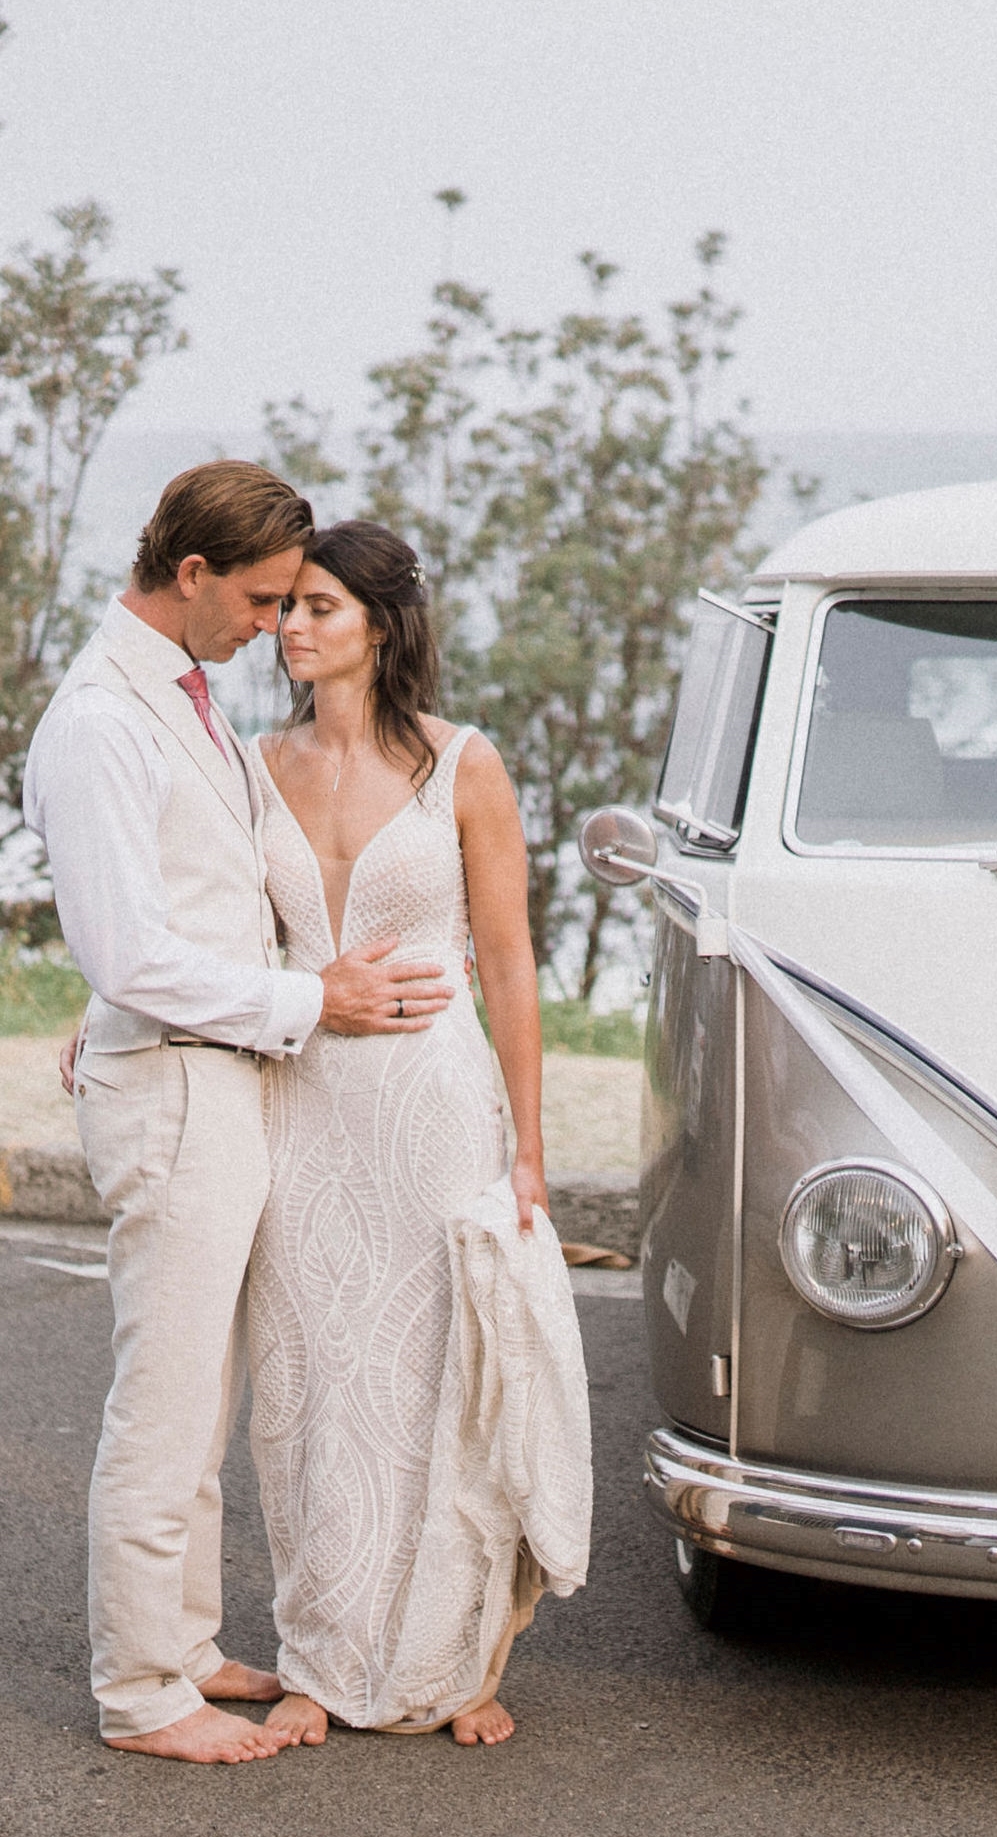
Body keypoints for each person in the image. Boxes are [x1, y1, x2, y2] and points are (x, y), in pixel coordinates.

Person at [25, 463, 457, 1765]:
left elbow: (179, 902)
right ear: (193, 573)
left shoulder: (184, 694)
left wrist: (127, 997)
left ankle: (189, 1640)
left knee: (204, 1389)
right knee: (163, 1399)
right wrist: (311, 997)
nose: (274, 626)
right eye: (263, 600)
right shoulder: (100, 721)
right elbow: (127, 951)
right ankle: (139, 1690)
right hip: (174, 1083)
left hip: (210, 1068)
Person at [246, 519, 590, 1750]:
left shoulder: (463, 766)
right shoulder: (253, 766)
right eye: (285, 606)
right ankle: (317, 1657)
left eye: (318, 607)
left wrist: (528, 1151)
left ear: (380, 627)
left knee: (445, 1378)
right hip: (301, 1105)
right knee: (305, 1384)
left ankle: (458, 1660)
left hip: (435, 1109)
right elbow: (208, 935)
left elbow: (508, 961)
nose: (290, 627)